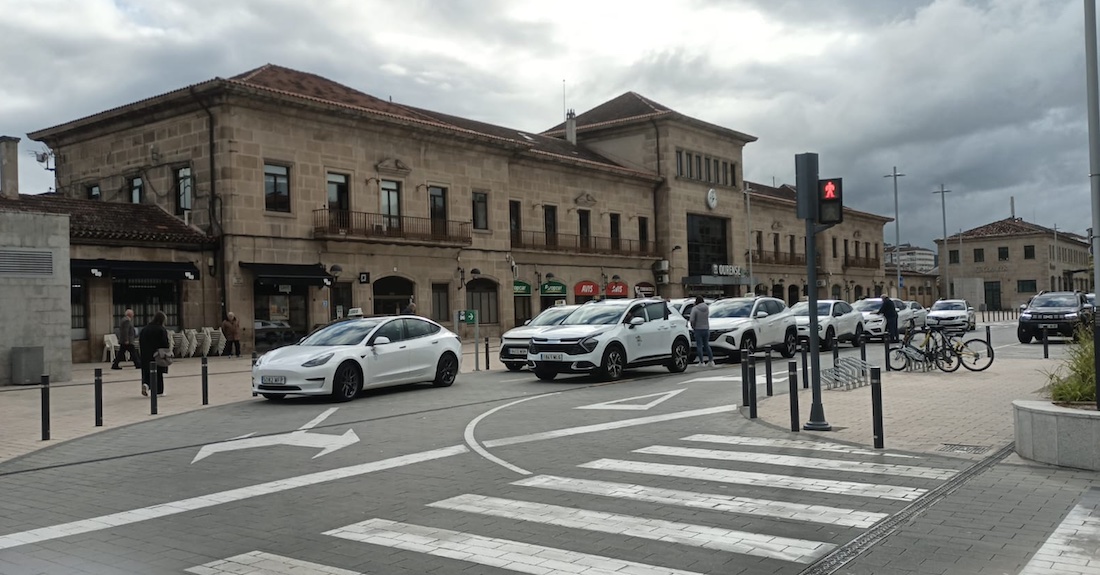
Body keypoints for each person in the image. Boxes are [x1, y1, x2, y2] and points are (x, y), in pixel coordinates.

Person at [139, 310, 171, 396]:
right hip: (157, 354)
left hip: (145, 355)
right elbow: (165, 343)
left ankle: (146, 384)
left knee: (147, 372)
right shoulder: (161, 329)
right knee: (158, 373)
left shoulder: (144, 329)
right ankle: (159, 391)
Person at [688, 296, 715, 367]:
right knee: (706, 345)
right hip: (706, 328)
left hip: (698, 329)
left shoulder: (695, 309)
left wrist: (693, 327)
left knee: (699, 346)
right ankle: (711, 361)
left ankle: (701, 362)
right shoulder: (707, 308)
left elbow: (692, 320)